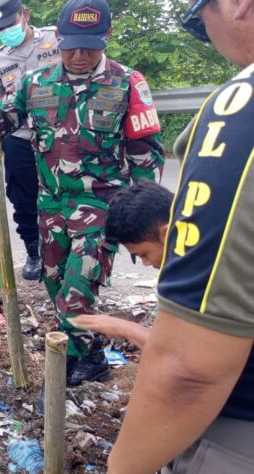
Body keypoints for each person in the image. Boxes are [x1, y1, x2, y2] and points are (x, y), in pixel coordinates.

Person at [0, 0, 165, 385]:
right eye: (72, 45)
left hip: (102, 208)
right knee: (56, 284)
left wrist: (143, 220)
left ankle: (62, 373)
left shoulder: (127, 82)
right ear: (58, 37)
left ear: (107, 36)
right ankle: (94, 357)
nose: (79, 55)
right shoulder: (34, 83)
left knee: (77, 291)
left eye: (89, 46)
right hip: (51, 206)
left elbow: (145, 155)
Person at [108, 1, 254, 472]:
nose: (206, 33)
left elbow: (189, 371)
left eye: (199, 18)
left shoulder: (239, 110)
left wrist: (122, 467)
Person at [0, 0, 61, 280]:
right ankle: (34, 251)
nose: (5, 32)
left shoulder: (56, 38)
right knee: (22, 197)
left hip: (58, 131)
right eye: (0, 29)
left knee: (61, 192)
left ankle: (66, 253)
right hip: (19, 136)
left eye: (10, 24)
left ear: (25, 15)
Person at [69, 179, 175, 349]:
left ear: (166, 233)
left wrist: (123, 328)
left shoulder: (198, 274)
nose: (145, 263)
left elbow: (175, 350)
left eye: (144, 254)